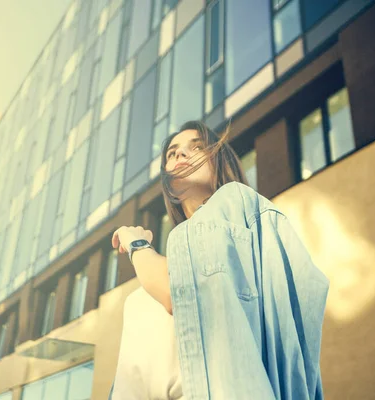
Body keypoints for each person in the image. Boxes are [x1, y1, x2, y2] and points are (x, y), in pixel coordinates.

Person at [109, 120, 329, 399]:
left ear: (219, 160)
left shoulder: (238, 203)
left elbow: (176, 290)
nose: (180, 154)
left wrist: (137, 244)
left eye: (197, 147)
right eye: (171, 153)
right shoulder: (155, 273)